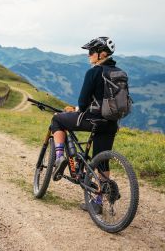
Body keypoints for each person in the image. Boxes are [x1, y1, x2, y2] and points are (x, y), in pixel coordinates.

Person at [50, 36, 119, 213]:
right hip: (111, 123)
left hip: (92, 119)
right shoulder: (119, 73)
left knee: (57, 119)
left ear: (101, 54)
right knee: (102, 160)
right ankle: (97, 202)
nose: (88, 55)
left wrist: (74, 109)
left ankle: (59, 158)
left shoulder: (94, 72)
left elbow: (83, 101)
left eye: (91, 52)